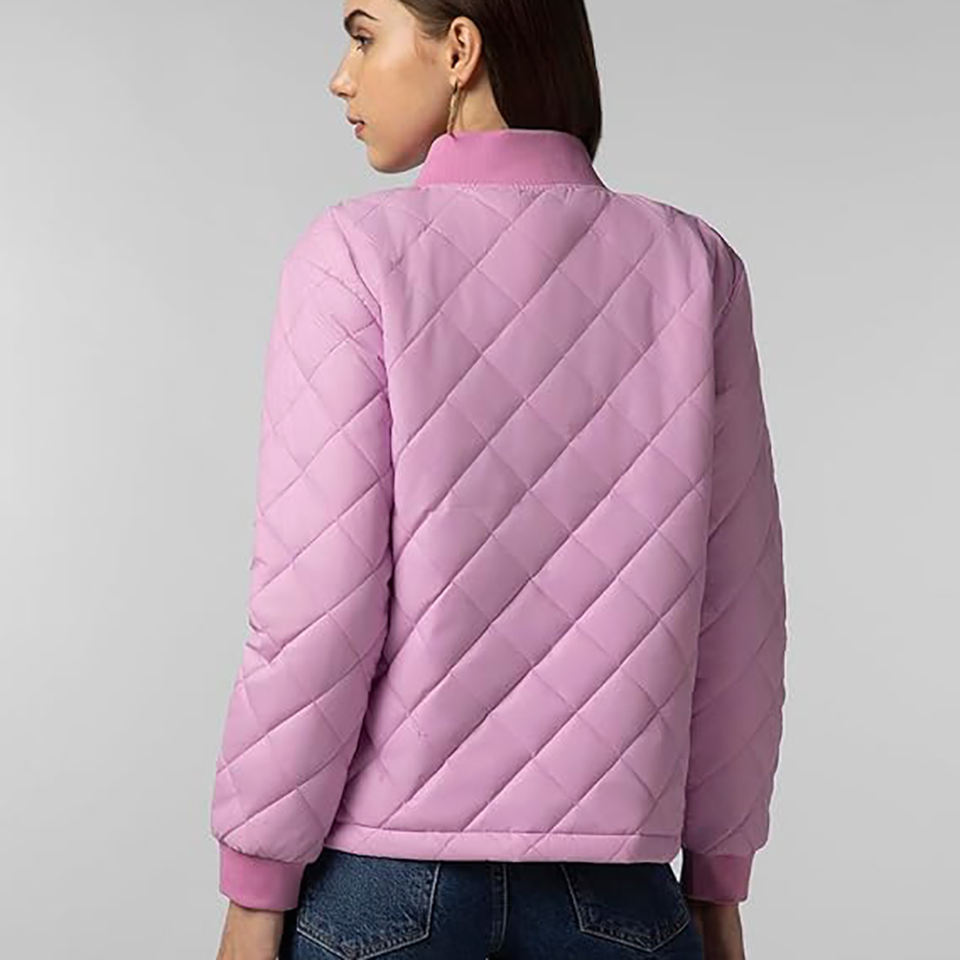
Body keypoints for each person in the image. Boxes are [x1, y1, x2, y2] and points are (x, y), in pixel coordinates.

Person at [212, 2, 789, 958]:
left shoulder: (353, 256)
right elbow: (740, 615)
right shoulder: (697, 267)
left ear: (460, 48)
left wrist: (254, 886)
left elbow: (315, 602)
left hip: (384, 892)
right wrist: (719, 886)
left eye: (364, 34)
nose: (341, 76)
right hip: (623, 897)